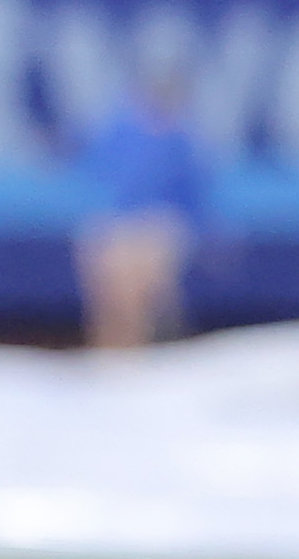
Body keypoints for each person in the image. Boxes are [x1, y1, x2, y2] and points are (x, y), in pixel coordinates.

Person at [73, 69, 207, 351]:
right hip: (120, 225)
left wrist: (203, 232)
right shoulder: (121, 132)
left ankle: (154, 352)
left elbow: (193, 194)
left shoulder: (180, 141)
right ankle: (112, 354)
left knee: (150, 297)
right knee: (112, 297)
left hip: (157, 226)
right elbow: (93, 170)